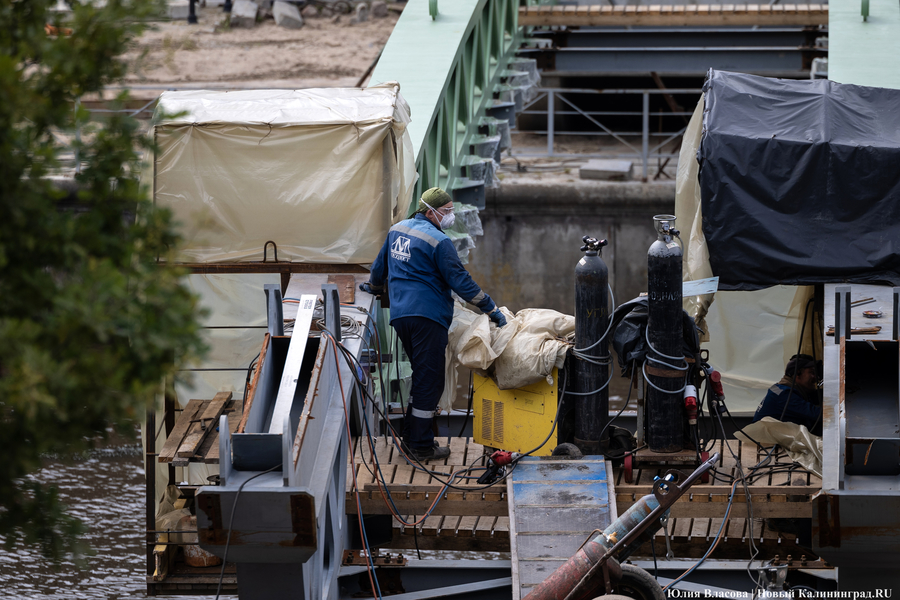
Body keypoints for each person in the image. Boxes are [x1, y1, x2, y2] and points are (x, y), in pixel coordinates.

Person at [360, 187, 506, 461]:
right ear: (430, 211)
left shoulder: (397, 230)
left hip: (402, 317)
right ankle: (421, 448)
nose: (451, 216)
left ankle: (412, 439)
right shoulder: (439, 241)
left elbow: (380, 267)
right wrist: (491, 308)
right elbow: (461, 281)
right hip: (428, 318)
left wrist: (373, 286)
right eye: (447, 211)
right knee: (430, 382)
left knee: (422, 378)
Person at [752, 353, 822, 435]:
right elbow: (818, 415)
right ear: (797, 374)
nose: (816, 377)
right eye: (812, 372)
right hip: (767, 445)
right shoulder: (784, 395)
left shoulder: (785, 389)